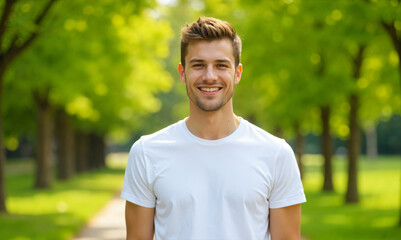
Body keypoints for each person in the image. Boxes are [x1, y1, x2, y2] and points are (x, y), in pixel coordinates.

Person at [121, 16, 306, 240]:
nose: (210, 76)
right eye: (198, 65)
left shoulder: (276, 154)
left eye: (221, 65)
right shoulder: (146, 153)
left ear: (237, 73)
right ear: (182, 72)